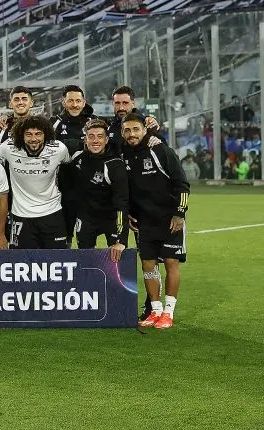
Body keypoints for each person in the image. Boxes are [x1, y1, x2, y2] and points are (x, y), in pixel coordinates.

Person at [121, 113, 188, 329]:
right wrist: (130, 212)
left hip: (170, 220)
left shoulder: (160, 150)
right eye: (127, 130)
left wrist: (180, 213)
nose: (132, 134)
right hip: (144, 222)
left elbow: (182, 184)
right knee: (148, 265)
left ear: (144, 130)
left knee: (170, 262)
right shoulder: (123, 155)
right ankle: (155, 311)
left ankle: (169, 312)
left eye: (136, 129)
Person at [0, 115, 78, 249]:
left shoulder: (59, 149)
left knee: (57, 262)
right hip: (21, 216)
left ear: (46, 135)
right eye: (29, 134)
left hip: (52, 214)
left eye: (38, 134)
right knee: (22, 263)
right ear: (21, 135)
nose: (33, 139)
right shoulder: (9, 147)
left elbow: (68, 167)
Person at [70, 119, 129, 260]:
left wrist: (122, 240)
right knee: (85, 261)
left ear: (107, 140)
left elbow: (122, 202)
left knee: (117, 258)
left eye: (100, 136)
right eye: (91, 137)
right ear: (85, 139)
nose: (95, 141)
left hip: (111, 218)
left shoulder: (115, 165)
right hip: (86, 218)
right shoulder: (77, 158)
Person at [52, 85, 96, 245]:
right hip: (63, 190)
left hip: (90, 190)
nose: (75, 104)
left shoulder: (94, 122)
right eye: (70, 100)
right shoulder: (54, 123)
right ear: (64, 102)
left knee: (87, 237)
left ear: (84, 102)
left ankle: (89, 268)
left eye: (78, 101)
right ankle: (65, 267)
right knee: (65, 237)